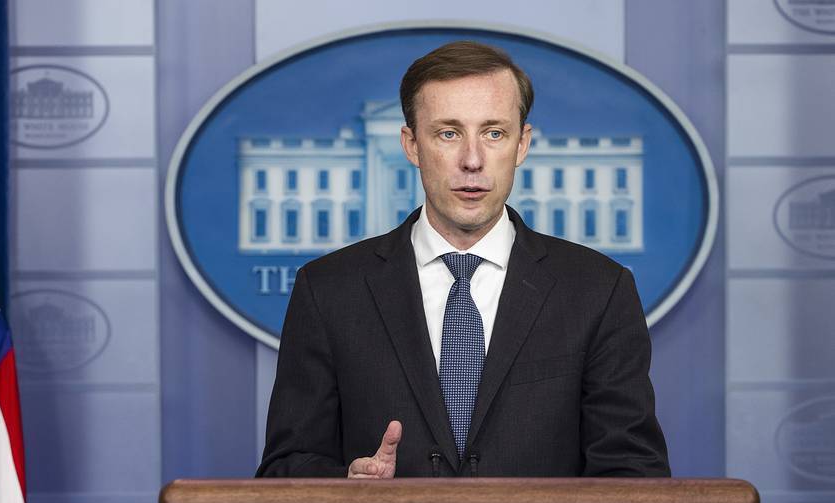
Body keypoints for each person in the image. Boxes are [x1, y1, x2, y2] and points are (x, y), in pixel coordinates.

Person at [256, 41, 670, 479]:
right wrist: (347, 488)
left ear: (522, 144)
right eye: (448, 134)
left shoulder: (599, 290)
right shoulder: (328, 290)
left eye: (494, 133)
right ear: (411, 145)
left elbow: (633, 474)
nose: (472, 160)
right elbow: (285, 469)